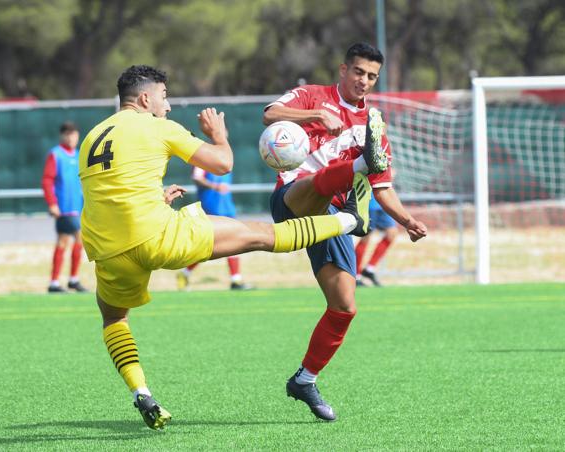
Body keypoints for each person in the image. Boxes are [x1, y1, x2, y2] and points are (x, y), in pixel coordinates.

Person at [78, 65, 385, 430]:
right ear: (145, 98)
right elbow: (222, 164)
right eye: (164, 97)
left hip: (108, 249)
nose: (168, 106)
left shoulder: (91, 137)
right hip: (158, 235)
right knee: (260, 236)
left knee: (114, 318)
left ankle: (141, 392)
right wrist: (218, 135)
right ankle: (350, 220)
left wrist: (157, 198)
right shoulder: (158, 126)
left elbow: (109, 194)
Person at [263, 42, 427, 421]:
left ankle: (305, 379)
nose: (364, 81)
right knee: (322, 184)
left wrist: (406, 221)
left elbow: (383, 188)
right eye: (358, 72)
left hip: (336, 216)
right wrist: (315, 115)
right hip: (293, 199)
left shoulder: (373, 127)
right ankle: (353, 182)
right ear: (343, 70)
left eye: (371, 76)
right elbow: (270, 114)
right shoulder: (313, 96)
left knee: (344, 307)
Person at [177, 166, 253, 291]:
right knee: (208, 246)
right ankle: (184, 273)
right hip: (211, 208)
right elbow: (197, 178)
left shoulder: (226, 160)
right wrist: (214, 186)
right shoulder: (202, 160)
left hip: (227, 208)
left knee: (235, 242)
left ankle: (236, 280)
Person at [41, 121, 87, 293]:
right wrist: (52, 203)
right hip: (63, 208)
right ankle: (73, 280)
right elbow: (47, 180)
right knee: (80, 237)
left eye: (74, 134)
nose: (71, 137)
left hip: (77, 206)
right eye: (67, 134)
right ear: (62, 136)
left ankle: (55, 282)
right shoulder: (56, 155)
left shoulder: (78, 155)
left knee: (63, 242)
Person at [355, 191, 399, 287]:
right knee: (366, 237)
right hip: (369, 202)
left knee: (392, 234)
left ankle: (369, 269)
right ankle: (355, 274)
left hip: (384, 202)